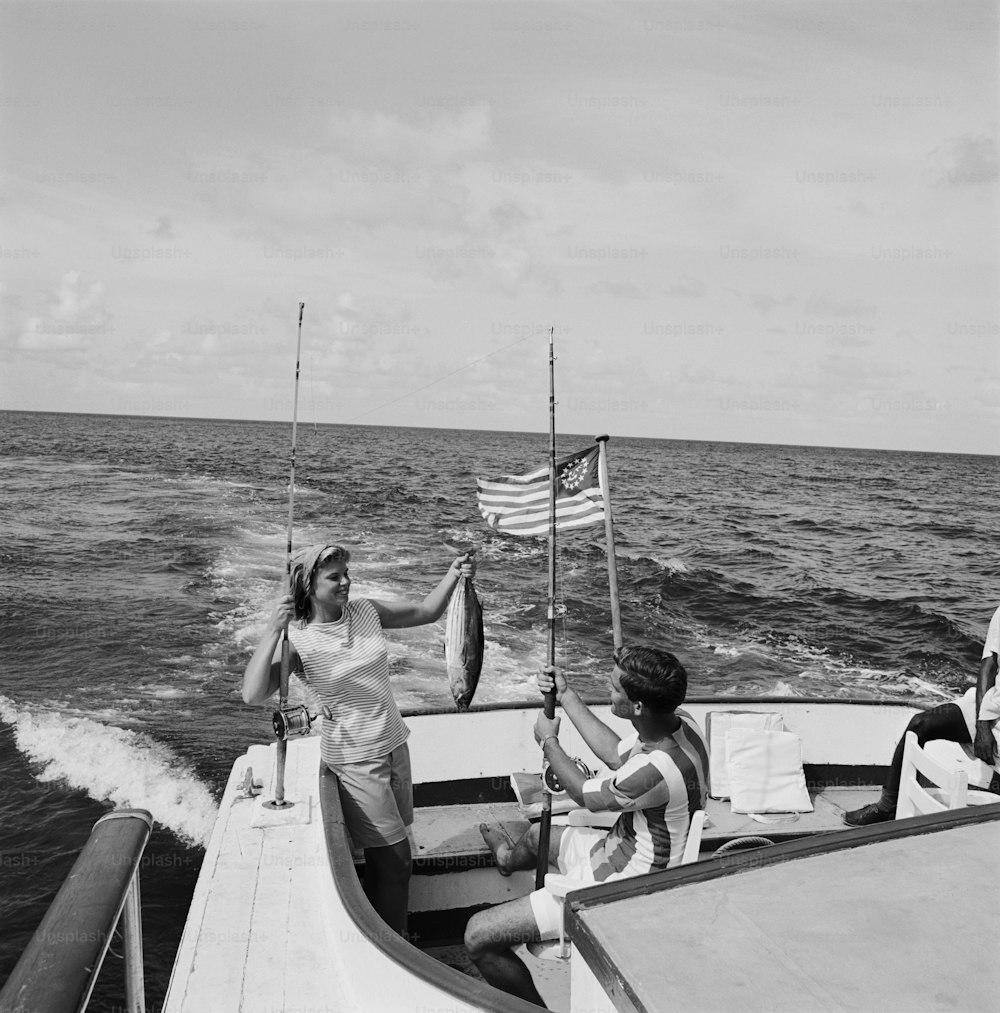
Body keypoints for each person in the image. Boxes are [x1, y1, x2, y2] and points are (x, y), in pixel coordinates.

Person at [242, 542, 475, 935]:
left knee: (394, 859)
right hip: (355, 760)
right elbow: (252, 693)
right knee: (397, 858)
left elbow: (426, 612)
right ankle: (394, 948)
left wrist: (455, 572)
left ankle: (383, 933)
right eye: (335, 577)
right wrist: (271, 631)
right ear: (308, 585)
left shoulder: (366, 611)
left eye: (347, 573)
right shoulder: (297, 641)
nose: (346, 582)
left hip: (394, 743)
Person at [465, 645, 709, 1006]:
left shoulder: (656, 771)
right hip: (618, 849)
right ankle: (506, 859)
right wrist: (565, 694)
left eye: (613, 689)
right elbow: (614, 754)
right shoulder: (679, 723)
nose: (607, 691)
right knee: (535, 836)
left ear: (638, 707)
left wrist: (548, 741)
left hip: (618, 887)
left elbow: (583, 793)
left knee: (477, 937)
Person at [844, 602, 1000, 826]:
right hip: (987, 703)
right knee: (920, 724)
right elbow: (989, 665)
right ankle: (889, 805)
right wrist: (982, 725)